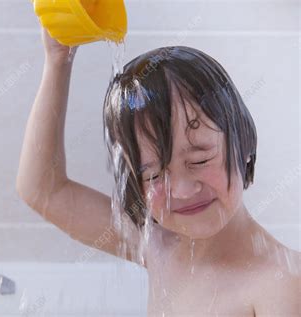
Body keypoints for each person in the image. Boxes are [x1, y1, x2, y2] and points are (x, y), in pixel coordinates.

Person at [16, 28, 300, 316]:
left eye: (199, 161)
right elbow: (44, 191)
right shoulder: (160, 245)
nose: (182, 190)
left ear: (244, 143)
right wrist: (57, 62)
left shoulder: (282, 285)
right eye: (152, 175)